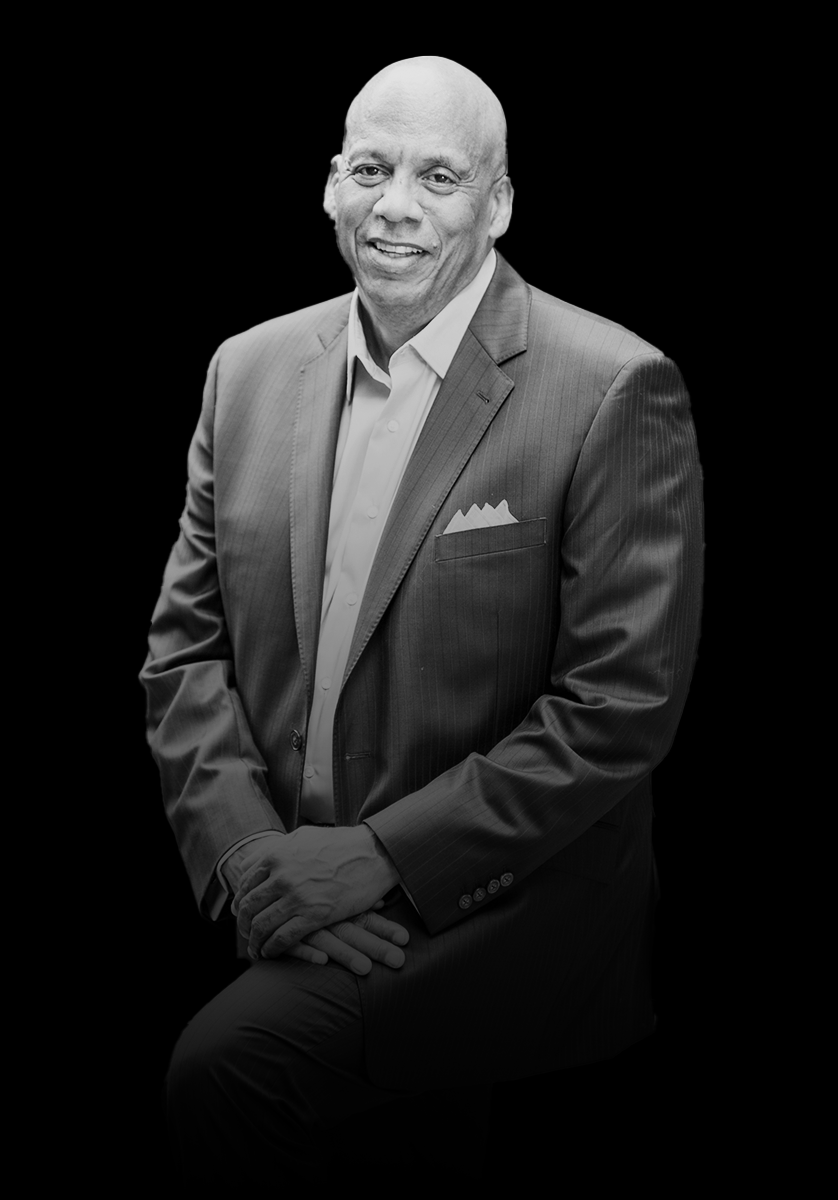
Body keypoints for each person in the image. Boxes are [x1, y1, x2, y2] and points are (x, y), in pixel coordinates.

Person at [140, 55, 703, 1185]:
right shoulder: (245, 372)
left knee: (224, 1069)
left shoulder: (612, 385)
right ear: (329, 186)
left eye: (438, 177)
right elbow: (184, 653)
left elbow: (617, 707)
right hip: (284, 879)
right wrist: (252, 860)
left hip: (512, 898)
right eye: (370, 169)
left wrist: (380, 861)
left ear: (498, 205)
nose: (395, 206)